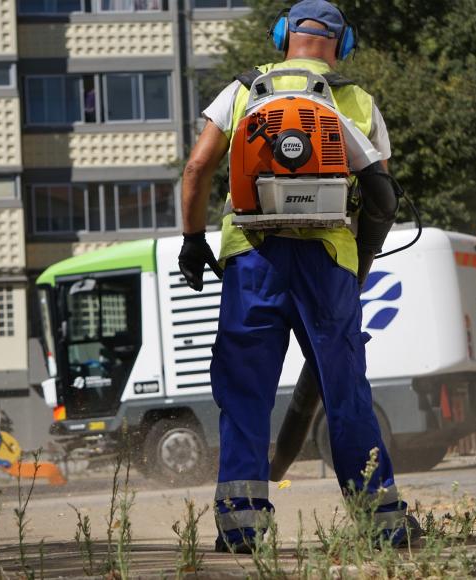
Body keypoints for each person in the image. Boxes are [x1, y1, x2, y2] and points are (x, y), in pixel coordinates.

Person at [178, 0, 418, 553]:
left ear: (283, 35)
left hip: (252, 260)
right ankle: (382, 524)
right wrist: (360, 261)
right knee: (345, 394)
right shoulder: (354, 99)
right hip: (328, 261)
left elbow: (196, 169)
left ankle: (241, 530)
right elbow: (380, 196)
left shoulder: (241, 91)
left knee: (244, 396)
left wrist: (193, 242)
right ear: (343, 44)